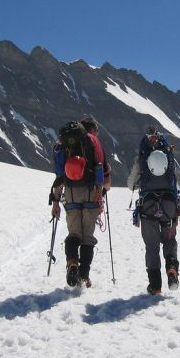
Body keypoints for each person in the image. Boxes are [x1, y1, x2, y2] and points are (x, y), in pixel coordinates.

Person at [126, 126, 180, 295]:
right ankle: (171, 268)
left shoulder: (141, 159)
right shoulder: (170, 158)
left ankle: (155, 286)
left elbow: (130, 183)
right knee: (169, 241)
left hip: (148, 206)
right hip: (169, 206)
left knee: (152, 247)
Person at [50, 115, 111, 288]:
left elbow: (59, 176)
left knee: (74, 233)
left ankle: (72, 263)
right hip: (91, 192)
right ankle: (83, 276)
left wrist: (56, 202)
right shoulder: (93, 141)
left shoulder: (67, 144)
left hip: (70, 192)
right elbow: (104, 175)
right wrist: (101, 191)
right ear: (93, 129)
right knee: (87, 237)